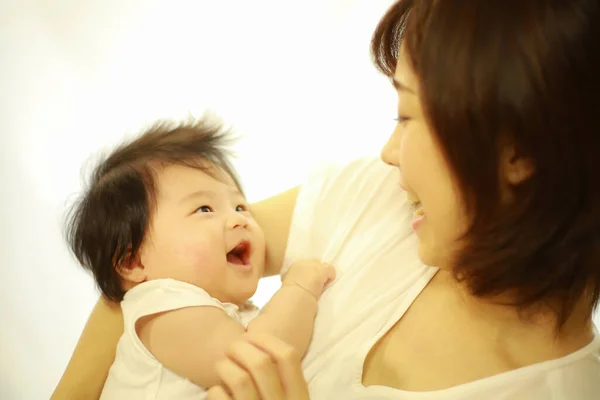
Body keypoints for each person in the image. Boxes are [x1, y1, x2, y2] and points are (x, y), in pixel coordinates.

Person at [53, 0, 600, 399]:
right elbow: (140, 270)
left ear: (521, 153)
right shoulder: (380, 197)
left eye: (407, 115)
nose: (389, 153)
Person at [63, 119, 335, 399]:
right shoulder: (163, 305)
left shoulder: (216, 311)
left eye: (240, 205)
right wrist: (299, 289)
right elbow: (259, 361)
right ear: (134, 263)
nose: (238, 219)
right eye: (204, 209)